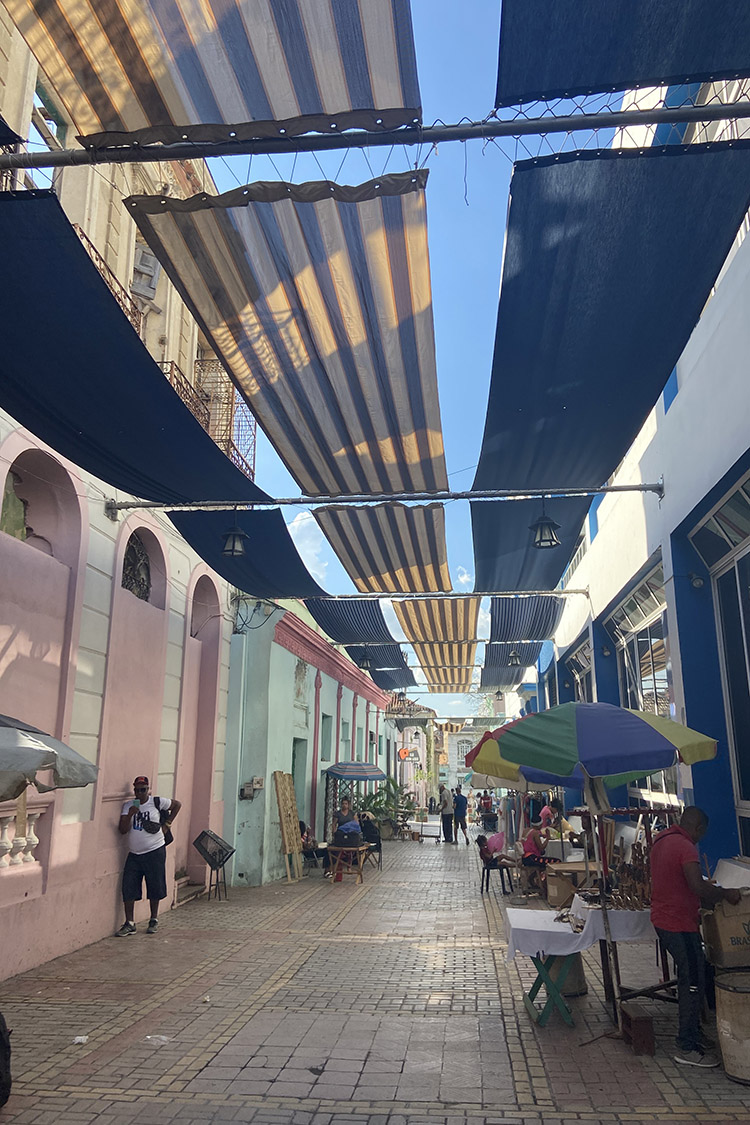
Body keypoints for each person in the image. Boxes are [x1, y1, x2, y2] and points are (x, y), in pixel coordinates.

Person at [650, 806, 741, 1068]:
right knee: (691, 981)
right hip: (677, 924)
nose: (701, 838)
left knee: (697, 975)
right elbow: (696, 886)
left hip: (667, 919)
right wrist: (725, 894)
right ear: (697, 828)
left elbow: (679, 880)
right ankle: (686, 1045)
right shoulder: (685, 846)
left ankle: (694, 1034)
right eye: (703, 833)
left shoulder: (662, 839)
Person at [116, 776, 181, 936]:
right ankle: (129, 923)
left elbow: (177, 805)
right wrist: (131, 814)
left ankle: (153, 919)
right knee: (129, 885)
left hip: (155, 850)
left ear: (148, 789)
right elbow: (123, 829)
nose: (140, 793)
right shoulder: (128, 806)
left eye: (143, 789)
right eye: (137, 790)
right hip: (135, 853)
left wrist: (168, 824)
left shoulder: (157, 802)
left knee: (155, 884)